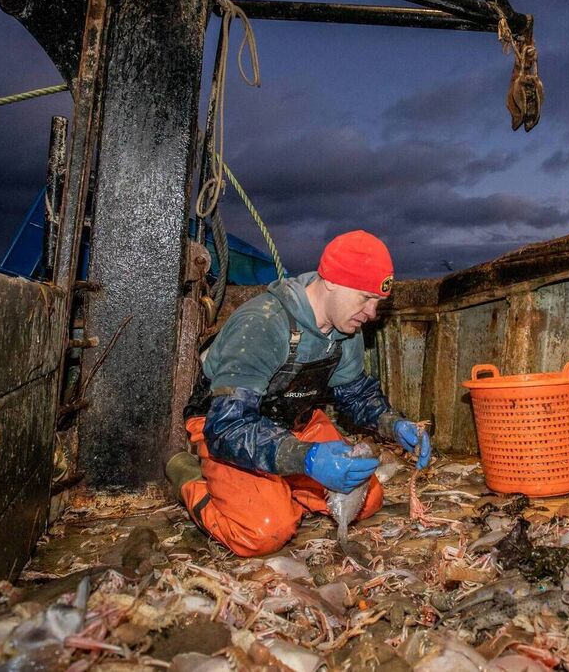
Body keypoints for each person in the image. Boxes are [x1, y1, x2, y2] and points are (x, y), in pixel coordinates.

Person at [166, 230, 432, 556]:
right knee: (265, 531)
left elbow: (356, 394)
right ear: (331, 281)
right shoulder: (262, 323)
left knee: (367, 500)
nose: (371, 313)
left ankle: (281, 485)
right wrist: (305, 458)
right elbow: (228, 427)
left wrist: (393, 424)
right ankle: (189, 475)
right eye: (365, 298)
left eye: (378, 303)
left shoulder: (346, 331)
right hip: (229, 427)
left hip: (295, 422)